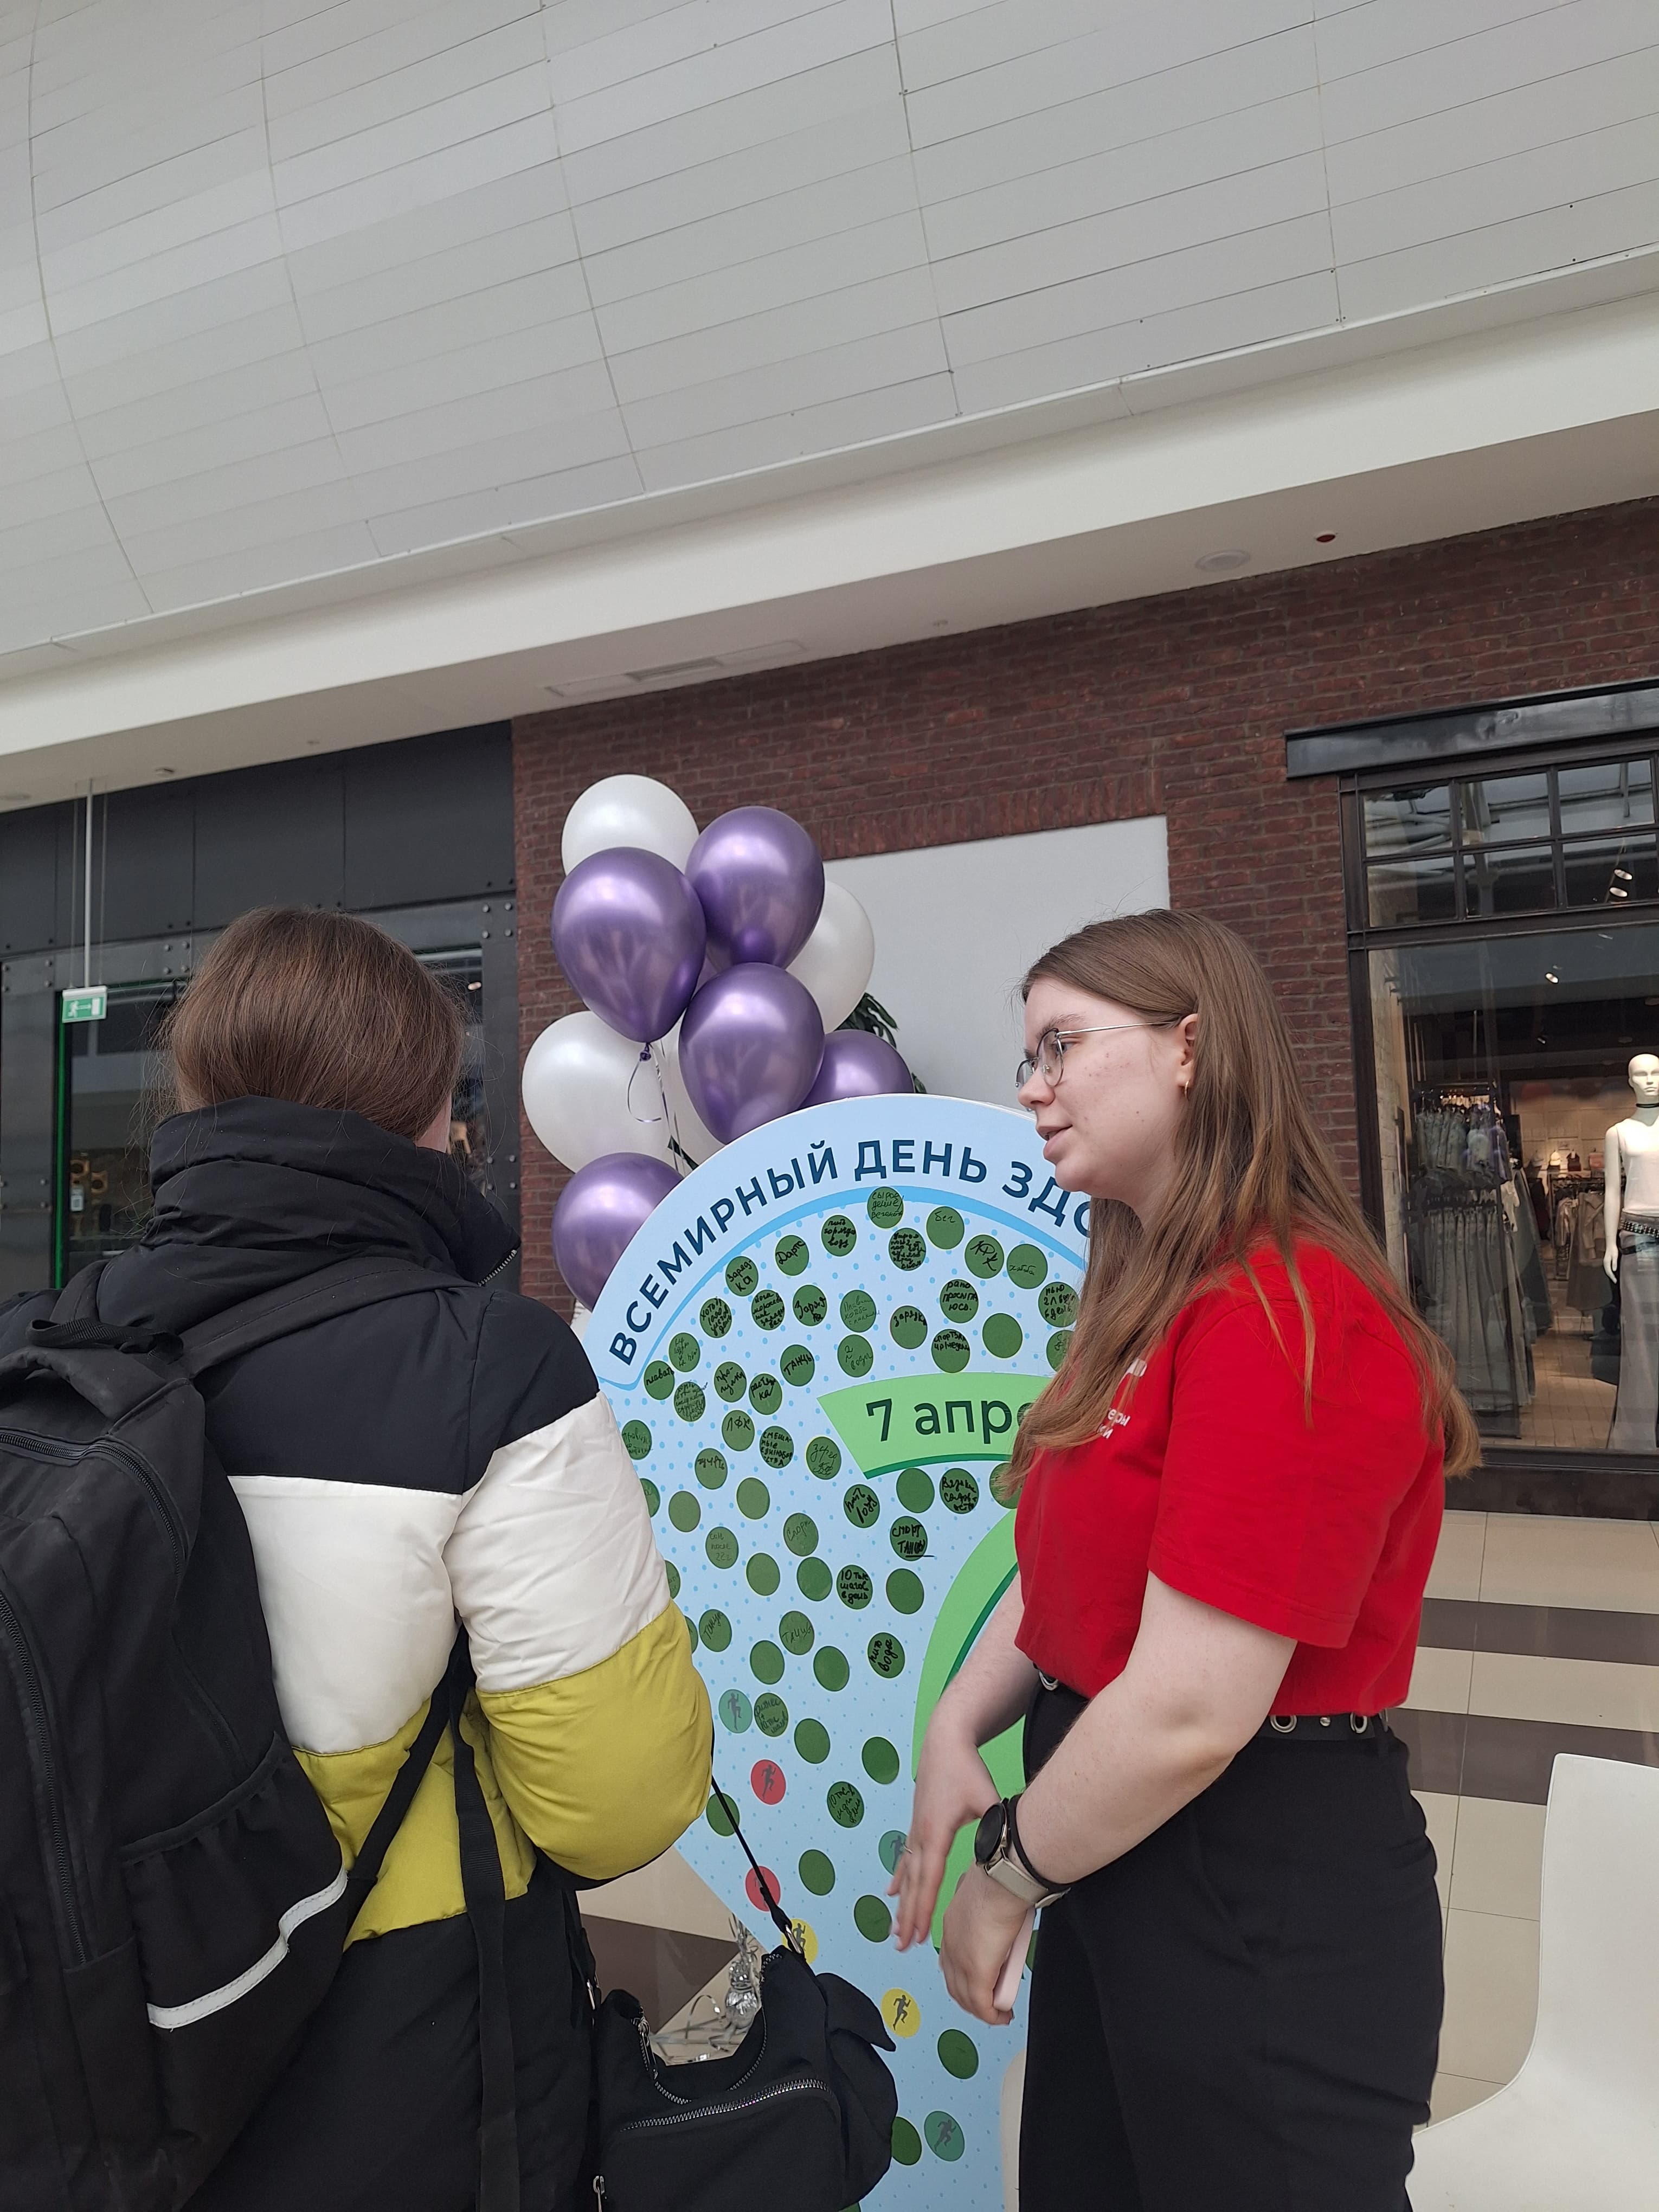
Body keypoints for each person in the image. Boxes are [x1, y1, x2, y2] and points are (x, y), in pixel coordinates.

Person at [32, 908, 710, 2209]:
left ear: (198, 1094)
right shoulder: (487, 1365)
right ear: (420, 1113)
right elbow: (617, 1804)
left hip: (112, 2056)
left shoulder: (72, 1341)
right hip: (404, 2067)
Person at [891, 908, 1478, 2211]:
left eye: (1061, 1044)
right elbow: (1065, 1583)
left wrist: (1008, 1874)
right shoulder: (1151, 1298)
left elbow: (1191, 1710)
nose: (1030, 1087)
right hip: (1125, 1858)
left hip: (1259, 1887)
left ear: (1189, 1051)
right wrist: (957, 1725)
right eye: (1026, 1055)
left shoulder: (1289, 1309)